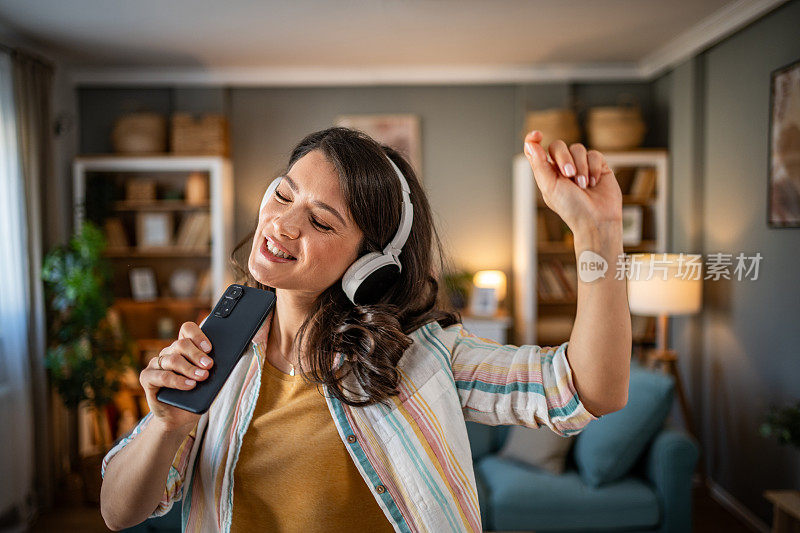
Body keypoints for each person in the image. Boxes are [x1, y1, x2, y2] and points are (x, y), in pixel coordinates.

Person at [100, 127, 631, 532]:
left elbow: (585, 390)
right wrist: (166, 424)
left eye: (322, 221)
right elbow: (119, 511)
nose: (283, 225)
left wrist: (598, 233)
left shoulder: (421, 359)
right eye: (284, 195)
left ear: (371, 265)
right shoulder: (219, 349)